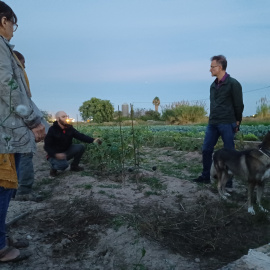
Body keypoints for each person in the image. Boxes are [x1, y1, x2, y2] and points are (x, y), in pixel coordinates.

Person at [0, 1, 45, 262]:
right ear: (3, 19)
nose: (14, 30)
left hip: (7, 131)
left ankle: (1, 236)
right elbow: (8, 87)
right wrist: (32, 121)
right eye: (13, 23)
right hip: (6, 133)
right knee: (3, 187)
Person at [193, 55, 244, 186]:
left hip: (227, 123)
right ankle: (205, 176)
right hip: (213, 123)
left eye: (212, 67)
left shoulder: (233, 84)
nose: (210, 69)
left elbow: (239, 105)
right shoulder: (212, 85)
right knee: (206, 149)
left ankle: (228, 182)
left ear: (220, 67)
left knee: (229, 153)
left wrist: (237, 121)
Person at [13, 50, 50, 202]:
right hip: (19, 128)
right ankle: (23, 191)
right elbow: (22, 105)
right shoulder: (12, 82)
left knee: (14, 158)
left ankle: (13, 190)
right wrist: (35, 124)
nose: (24, 69)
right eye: (23, 65)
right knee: (25, 155)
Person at [44, 111, 102, 177]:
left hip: (65, 152)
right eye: (63, 117)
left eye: (66, 116)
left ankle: (74, 166)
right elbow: (47, 146)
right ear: (57, 119)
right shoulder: (52, 130)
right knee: (64, 165)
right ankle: (53, 168)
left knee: (81, 147)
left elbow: (80, 136)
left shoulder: (69, 128)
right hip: (54, 155)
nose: (66, 118)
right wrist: (56, 154)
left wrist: (93, 140)